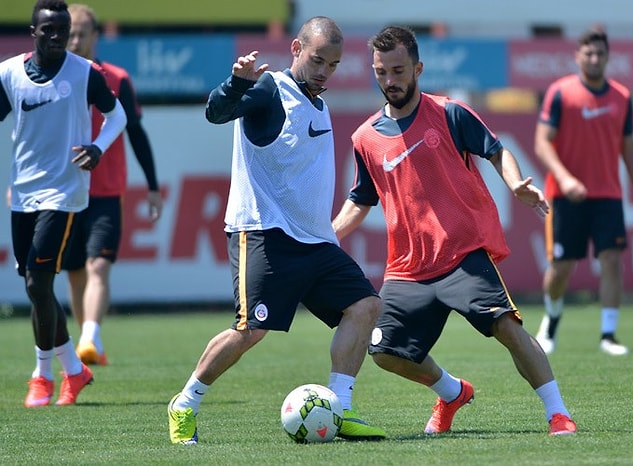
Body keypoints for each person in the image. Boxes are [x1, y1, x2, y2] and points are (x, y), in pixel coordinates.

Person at [332, 25, 577, 436]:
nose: (389, 81)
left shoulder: (449, 113)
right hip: (408, 267)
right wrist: (328, 234)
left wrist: (515, 183)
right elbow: (361, 200)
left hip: (462, 254)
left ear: (418, 69)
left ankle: (558, 413)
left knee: (507, 327)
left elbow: (497, 151)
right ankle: (451, 392)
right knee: (384, 351)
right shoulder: (364, 139)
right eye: (381, 72)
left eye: (397, 70)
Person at [167, 16, 386, 445]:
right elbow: (217, 112)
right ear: (295, 49)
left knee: (365, 306)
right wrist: (236, 84)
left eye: (334, 65)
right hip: (264, 232)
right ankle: (185, 404)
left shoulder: (317, 103)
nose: (324, 71)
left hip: (314, 241)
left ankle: (339, 408)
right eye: (318, 59)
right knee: (251, 329)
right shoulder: (270, 89)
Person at [0, 0, 126, 407]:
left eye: (62, 30)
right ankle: (73, 369)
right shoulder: (8, 74)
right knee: (35, 287)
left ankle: (42, 376)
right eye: (48, 30)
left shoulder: (84, 73)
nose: (57, 37)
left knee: (38, 282)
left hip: (66, 192)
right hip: (23, 194)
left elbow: (118, 116)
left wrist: (98, 147)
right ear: (33, 32)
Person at [533, 28, 633, 356]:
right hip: (565, 196)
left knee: (612, 260)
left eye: (600, 53)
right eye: (589, 53)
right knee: (562, 267)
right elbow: (542, 143)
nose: (595, 59)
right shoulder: (560, 93)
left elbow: (629, 149)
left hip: (608, 195)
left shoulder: (621, 97)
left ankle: (608, 335)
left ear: (608, 57)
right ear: (578, 56)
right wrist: (566, 178)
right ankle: (552, 320)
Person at [62, 3, 163, 367]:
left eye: (81, 33)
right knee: (74, 272)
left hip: (106, 193)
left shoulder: (116, 78)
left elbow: (135, 132)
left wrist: (152, 186)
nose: (74, 40)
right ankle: (88, 340)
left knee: (98, 266)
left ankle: (90, 335)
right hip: (63, 191)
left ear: (95, 36)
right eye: (69, 34)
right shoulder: (54, 77)